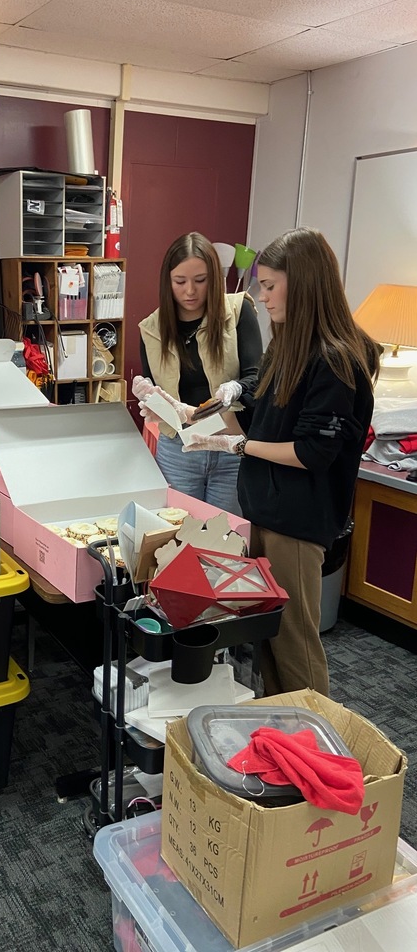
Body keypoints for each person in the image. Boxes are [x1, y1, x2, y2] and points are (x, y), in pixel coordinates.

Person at [179, 227, 380, 697]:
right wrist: (213, 404)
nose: (263, 297)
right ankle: (278, 727)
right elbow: (261, 406)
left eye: (270, 286)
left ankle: (313, 731)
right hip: (266, 512)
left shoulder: (334, 361)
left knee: (294, 643)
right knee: (268, 637)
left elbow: (312, 452)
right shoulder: (288, 346)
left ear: (304, 283)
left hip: (297, 522)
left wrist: (238, 447)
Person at [134, 232, 262, 514]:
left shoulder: (238, 311)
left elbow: (256, 379)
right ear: (167, 281)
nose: (190, 291)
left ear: (214, 278)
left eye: (200, 280)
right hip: (179, 449)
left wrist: (235, 388)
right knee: (178, 531)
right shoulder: (152, 329)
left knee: (226, 533)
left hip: (230, 444)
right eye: (180, 282)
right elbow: (157, 394)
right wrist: (147, 396)